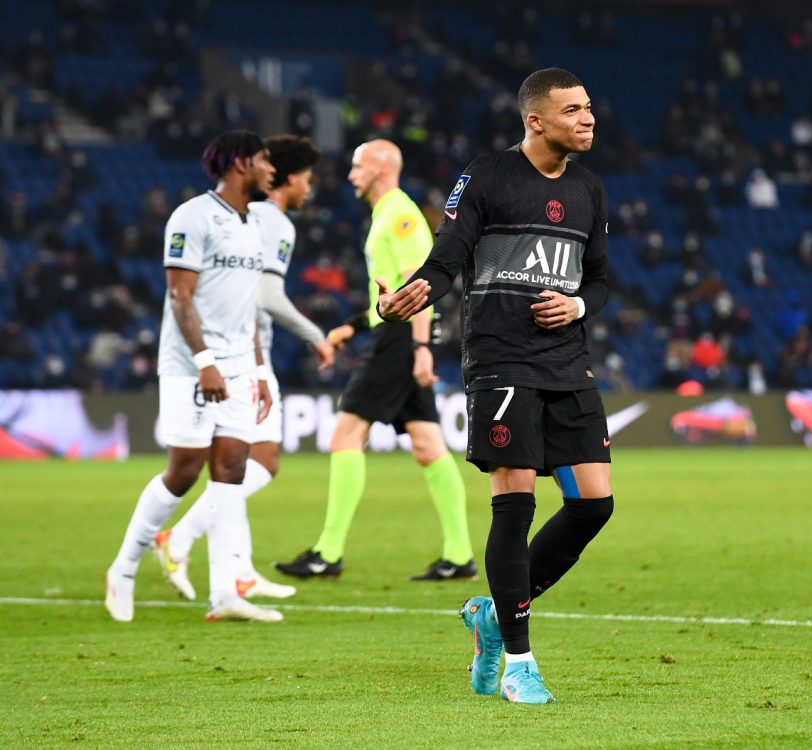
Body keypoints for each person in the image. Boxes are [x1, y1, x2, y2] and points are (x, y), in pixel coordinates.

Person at [377, 68, 614, 705]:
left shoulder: (589, 189)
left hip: (567, 361)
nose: (588, 118)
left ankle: (492, 614)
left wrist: (577, 306)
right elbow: (447, 254)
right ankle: (518, 662)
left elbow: (598, 280)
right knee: (515, 504)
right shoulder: (487, 176)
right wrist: (412, 295)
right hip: (502, 360)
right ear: (536, 120)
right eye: (573, 110)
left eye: (588, 107)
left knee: (594, 504)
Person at [275, 139, 475, 582]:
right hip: (395, 334)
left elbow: (417, 286)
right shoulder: (385, 213)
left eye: (357, 166)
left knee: (345, 435)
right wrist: (351, 327)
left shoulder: (400, 215)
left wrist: (421, 349)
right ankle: (460, 556)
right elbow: (386, 298)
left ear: (382, 168)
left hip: (400, 340)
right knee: (428, 446)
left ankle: (327, 553)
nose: (350, 174)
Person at [105, 130, 282, 623]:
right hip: (192, 365)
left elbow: (247, 308)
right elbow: (180, 295)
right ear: (242, 163)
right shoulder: (192, 216)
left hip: (241, 367)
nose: (272, 171)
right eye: (265, 160)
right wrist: (204, 360)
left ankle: (223, 595)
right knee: (184, 470)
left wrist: (259, 370)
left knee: (230, 471)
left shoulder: (255, 225)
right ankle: (123, 568)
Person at [154, 134, 336, 602]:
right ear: (289, 178)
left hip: (240, 352)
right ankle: (182, 537)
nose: (309, 189)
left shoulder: (251, 216)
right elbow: (265, 296)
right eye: (307, 179)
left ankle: (238, 571)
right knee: (256, 462)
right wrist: (315, 335)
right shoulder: (273, 222)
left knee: (239, 463)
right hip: (244, 354)